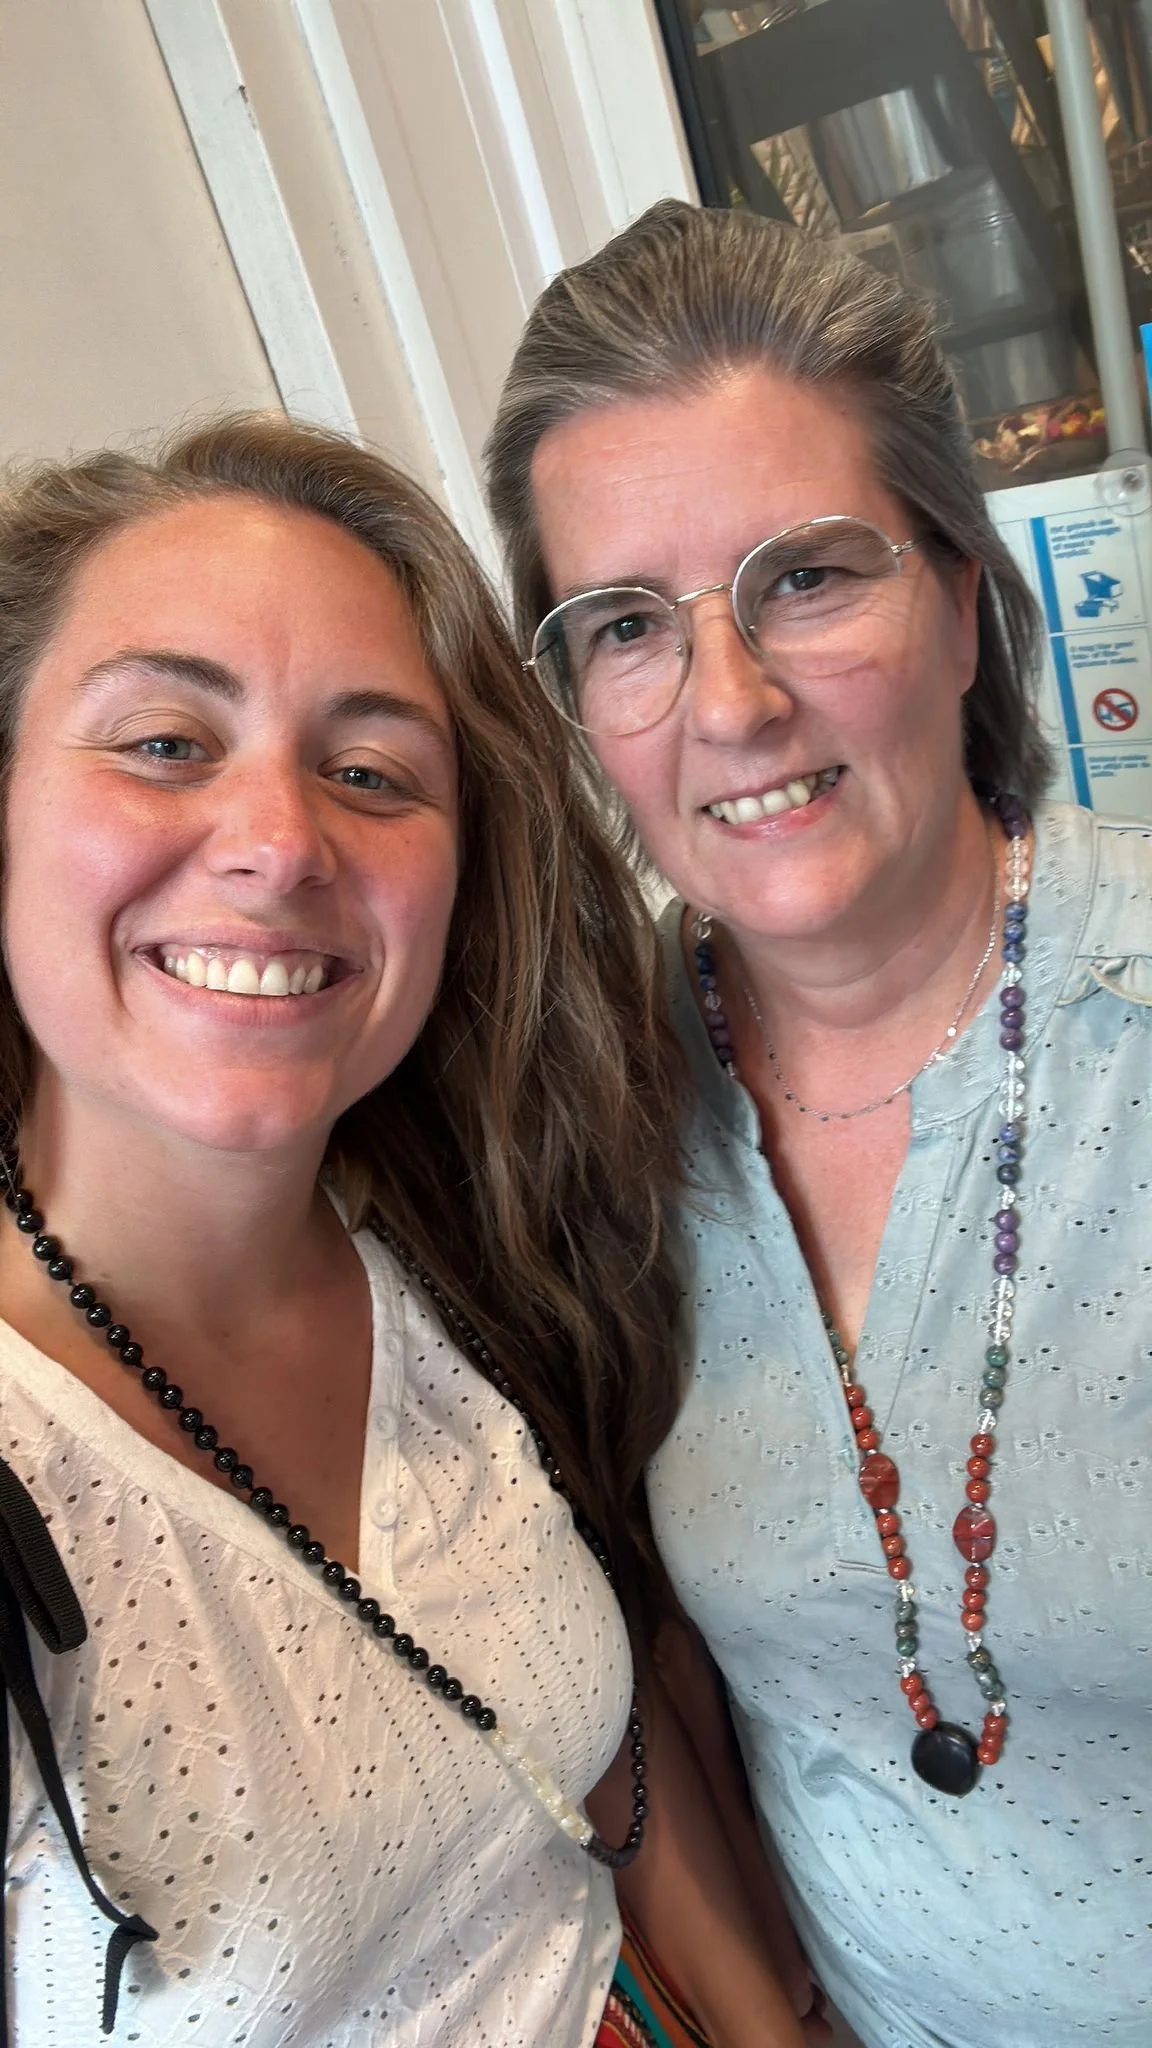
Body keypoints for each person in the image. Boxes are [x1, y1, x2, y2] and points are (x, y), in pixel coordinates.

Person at [0, 414, 809, 2046]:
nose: (282, 843)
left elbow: (595, 1775)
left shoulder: (460, 1266)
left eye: (371, 773)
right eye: (164, 741)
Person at [485, 200, 1152, 2048]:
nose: (733, 701)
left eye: (807, 576)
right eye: (629, 624)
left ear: (959, 598)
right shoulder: (581, 1120)